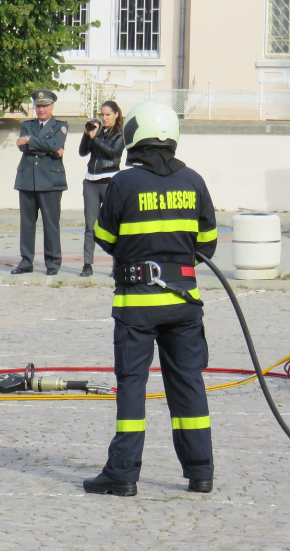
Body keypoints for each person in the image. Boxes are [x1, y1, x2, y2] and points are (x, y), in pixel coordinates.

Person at [84, 100, 217, 497]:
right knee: (188, 383)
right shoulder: (194, 181)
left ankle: (122, 474)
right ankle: (201, 472)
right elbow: (207, 245)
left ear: (135, 137)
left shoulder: (124, 183)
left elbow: (104, 238)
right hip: (183, 304)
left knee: (132, 386)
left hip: (136, 306)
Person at [12, 90, 68, 276]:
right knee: (27, 223)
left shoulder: (61, 126)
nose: (41, 109)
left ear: (52, 106)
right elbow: (23, 148)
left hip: (51, 181)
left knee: (51, 224)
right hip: (28, 179)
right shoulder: (28, 125)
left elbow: (54, 145)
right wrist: (47, 147)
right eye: (38, 106)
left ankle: (53, 262)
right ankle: (26, 261)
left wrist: (30, 141)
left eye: (45, 106)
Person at [78, 100, 125, 277]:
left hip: (110, 180)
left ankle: (117, 264)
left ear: (116, 115)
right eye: (102, 114)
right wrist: (86, 134)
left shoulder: (120, 134)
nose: (104, 118)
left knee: (113, 225)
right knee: (90, 226)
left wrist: (95, 138)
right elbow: (83, 152)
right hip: (91, 181)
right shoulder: (96, 131)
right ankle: (87, 265)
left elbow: (112, 152)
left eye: (108, 115)